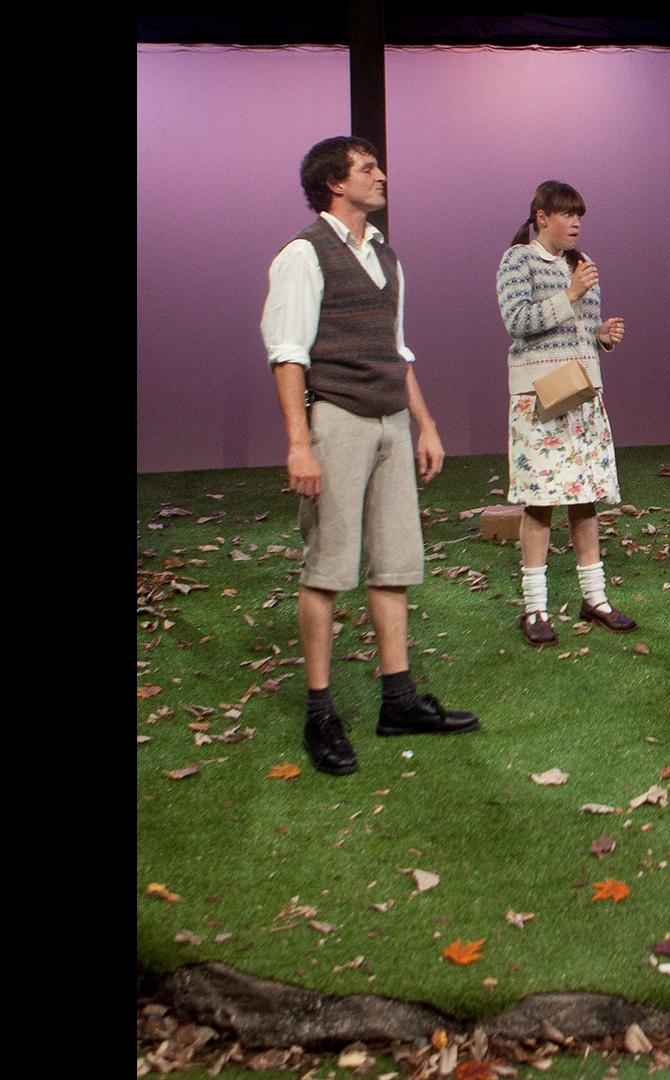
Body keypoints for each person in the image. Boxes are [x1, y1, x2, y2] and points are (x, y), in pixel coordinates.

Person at [262, 136, 480, 776]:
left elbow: (397, 348)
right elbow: (288, 353)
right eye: (367, 168)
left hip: (389, 420)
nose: (381, 175)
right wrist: (299, 444)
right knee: (329, 566)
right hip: (337, 421)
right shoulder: (304, 254)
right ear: (335, 183)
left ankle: (398, 700)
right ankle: (320, 713)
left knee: (393, 562)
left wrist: (427, 424)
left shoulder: (386, 256)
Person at [496, 181, 633, 647]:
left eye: (579, 216)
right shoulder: (518, 260)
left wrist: (603, 337)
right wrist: (569, 296)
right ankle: (534, 607)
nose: (575, 223)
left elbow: (580, 332)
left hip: (582, 397)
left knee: (584, 497)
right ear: (541, 217)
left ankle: (594, 598)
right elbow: (518, 322)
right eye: (566, 214)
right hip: (540, 401)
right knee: (540, 500)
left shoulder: (583, 265)